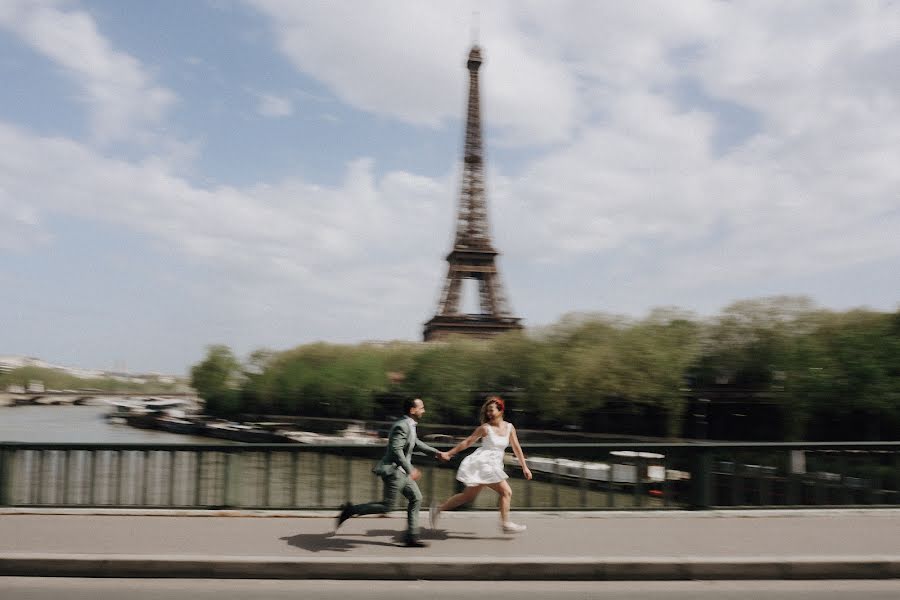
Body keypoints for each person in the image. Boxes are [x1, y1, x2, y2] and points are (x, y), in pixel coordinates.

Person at [335, 397, 448, 547]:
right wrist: (411, 469)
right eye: (421, 408)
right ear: (412, 410)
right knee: (388, 506)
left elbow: (415, 443)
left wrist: (436, 453)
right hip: (395, 471)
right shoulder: (401, 426)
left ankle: (411, 536)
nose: (424, 410)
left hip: (402, 471)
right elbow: (396, 450)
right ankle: (350, 510)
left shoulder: (410, 425)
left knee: (416, 498)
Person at [430, 395, 532, 534]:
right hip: (484, 463)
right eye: (488, 411)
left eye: (492, 410)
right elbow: (467, 442)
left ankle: (438, 509)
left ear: (501, 410)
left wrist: (524, 466)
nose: (489, 413)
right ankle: (505, 524)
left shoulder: (509, 427)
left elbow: (516, 448)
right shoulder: (485, 428)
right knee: (506, 492)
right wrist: (449, 453)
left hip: (495, 464)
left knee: (467, 496)